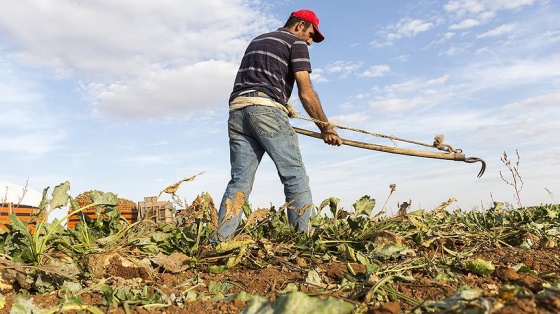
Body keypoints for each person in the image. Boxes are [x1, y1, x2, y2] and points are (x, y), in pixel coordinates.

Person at [216, 9, 342, 241]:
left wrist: (281, 105)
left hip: (237, 111)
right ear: (299, 25)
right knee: (295, 176)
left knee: (239, 182)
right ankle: (302, 242)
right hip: (265, 109)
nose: (311, 41)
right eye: (311, 34)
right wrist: (326, 128)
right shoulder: (296, 42)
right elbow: (306, 91)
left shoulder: (258, 40)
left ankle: (218, 242)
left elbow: (261, 79)